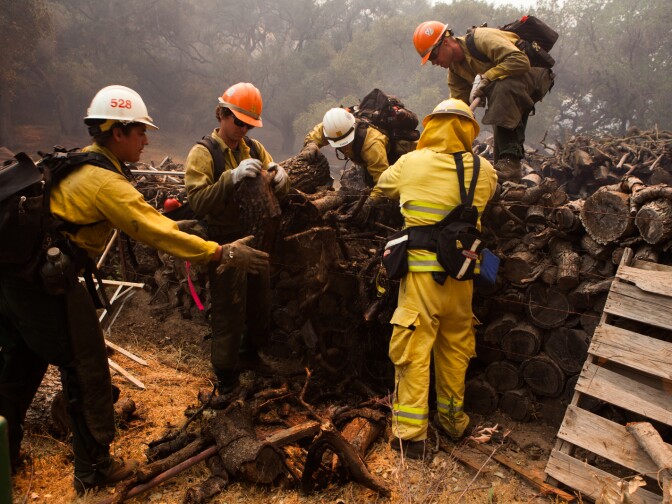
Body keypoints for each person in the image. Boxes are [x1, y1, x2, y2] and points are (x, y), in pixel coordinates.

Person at [0, 85, 269, 494]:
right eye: (140, 132)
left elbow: (152, 222)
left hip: (18, 279)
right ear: (117, 132)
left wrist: (189, 233)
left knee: (20, 362)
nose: (146, 140)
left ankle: (5, 451)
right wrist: (219, 253)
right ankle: (93, 469)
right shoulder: (105, 182)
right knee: (85, 364)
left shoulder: (85, 166)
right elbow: (151, 229)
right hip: (44, 284)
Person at [373, 99, 497, 459]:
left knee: (413, 349)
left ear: (431, 127)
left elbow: (381, 186)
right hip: (463, 277)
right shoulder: (485, 170)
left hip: (421, 278)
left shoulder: (411, 163)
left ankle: (411, 436)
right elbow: (488, 199)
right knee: (456, 349)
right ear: (468, 130)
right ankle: (453, 420)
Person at [184, 82, 289, 394]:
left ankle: (250, 355)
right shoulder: (203, 153)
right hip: (222, 239)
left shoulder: (254, 150)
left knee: (259, 303)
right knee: (229, 309)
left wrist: (281, 177)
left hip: (253, 235)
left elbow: (274, 177)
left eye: (249, 124)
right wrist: (230, 178)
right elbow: (199, 201)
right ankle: (227, 377)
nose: (243, 128)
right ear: (223, 114)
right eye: (238, 121)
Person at [413, 20, 554, 183]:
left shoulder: (481, 38)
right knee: (498, 103)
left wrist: (487, 77)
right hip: (508, 90)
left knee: (501, 88)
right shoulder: (455, 72)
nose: (433, 62)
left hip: (533, 73)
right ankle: (505, 171)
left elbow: (520, 61)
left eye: (433, 56)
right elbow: (458, 112)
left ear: (445, 42)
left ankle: (510, 161)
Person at [299, 107, 391, 200]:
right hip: (364, 163)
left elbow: (383, 183)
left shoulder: (372, 144)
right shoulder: (332, 127)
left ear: (353, 128)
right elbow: (316, 134)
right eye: (338, 142)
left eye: (347, 141)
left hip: (389, 164)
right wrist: (311, 144)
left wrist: (369, 203)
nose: (344, 146)